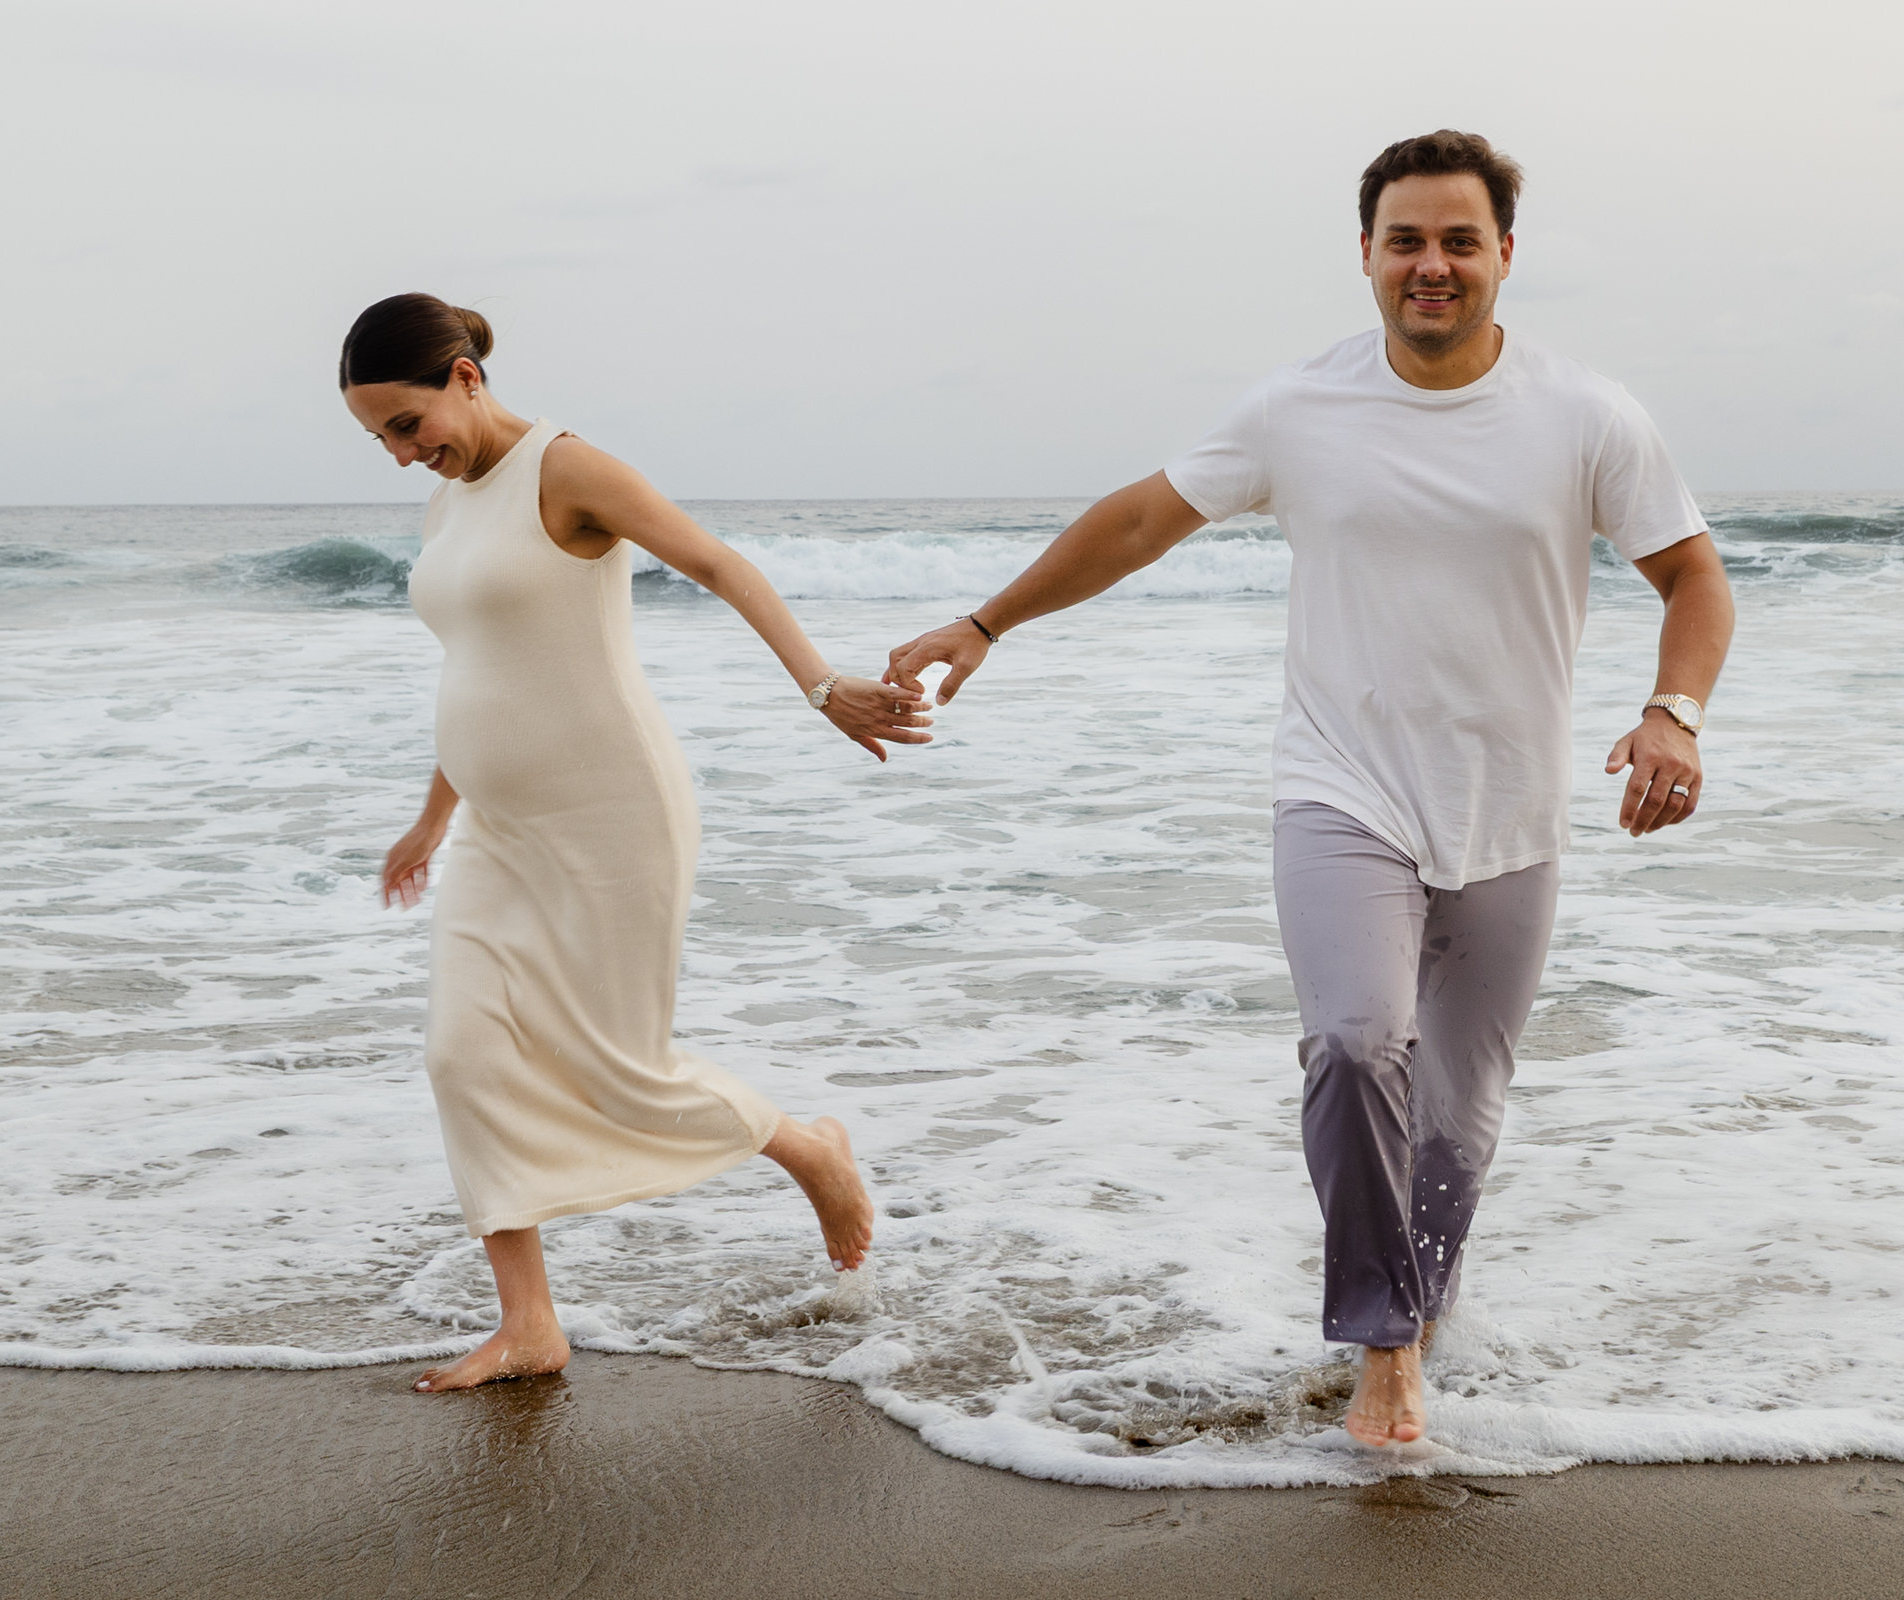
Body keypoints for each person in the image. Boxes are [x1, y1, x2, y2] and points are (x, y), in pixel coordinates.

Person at [886, 132, 1735, 1447]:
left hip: (1509, 812)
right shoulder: (1299, 409)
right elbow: (1138, 521)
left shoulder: (1588, 417)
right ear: (1367, 256)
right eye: (1406, 240)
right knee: (1354, 1042)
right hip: (1342, 791)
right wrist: (987, 624)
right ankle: (1384, 1348)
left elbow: (1692, 576)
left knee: (1457, 1115)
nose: (1433, 265)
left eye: (1460, 240)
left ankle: (1419, 1293)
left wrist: (1674, 713)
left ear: (1506, 255)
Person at [339, 293, 931, 1392]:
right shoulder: (447, 506)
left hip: (612, 814)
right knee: (462, 1054)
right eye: (380, 436)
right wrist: (435, 815)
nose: (401, 453)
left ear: (464, 377)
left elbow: (715, 564)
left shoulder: (565, 469)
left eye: (407, 425)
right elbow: (478, 667)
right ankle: (530, 1325)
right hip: (497, 829)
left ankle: (810, 1151)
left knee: (621, 1065)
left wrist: (820, 686)